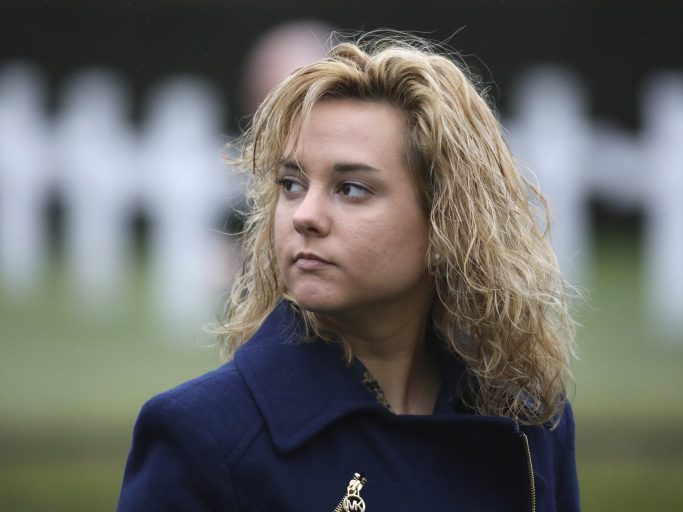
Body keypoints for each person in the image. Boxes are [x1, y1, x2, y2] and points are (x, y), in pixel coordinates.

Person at [117, 33, 579, 511]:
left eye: (351, 188)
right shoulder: (202, 433)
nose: (304, 215)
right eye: (291, 184)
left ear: (448, 218)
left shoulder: (527, 422)